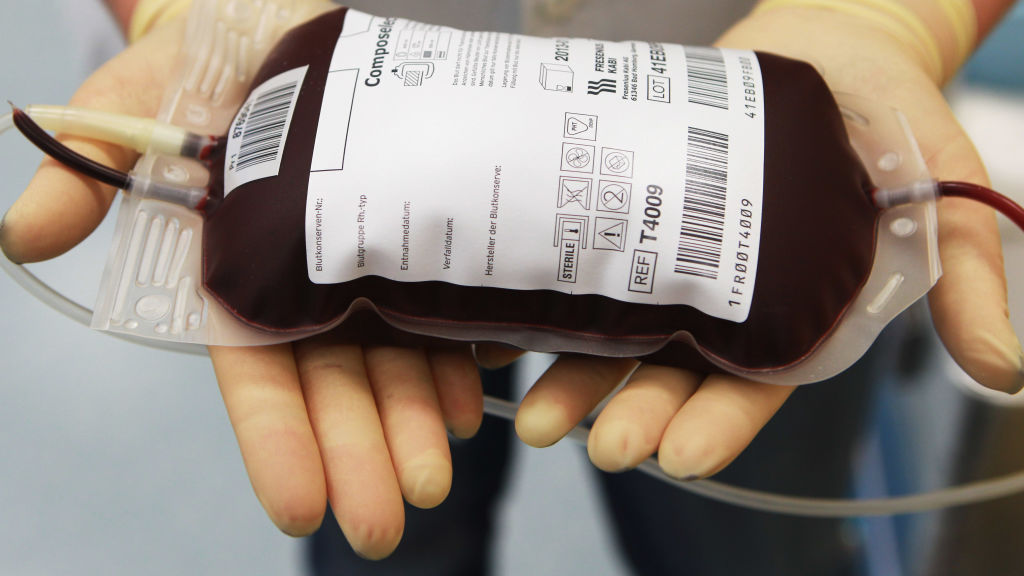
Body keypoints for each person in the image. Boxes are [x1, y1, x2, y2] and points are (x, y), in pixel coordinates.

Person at [1, 0, 1021, 571]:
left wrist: (899, 16)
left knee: (734, 545)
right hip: (327, 94)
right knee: (390, 532)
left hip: (765, 141)